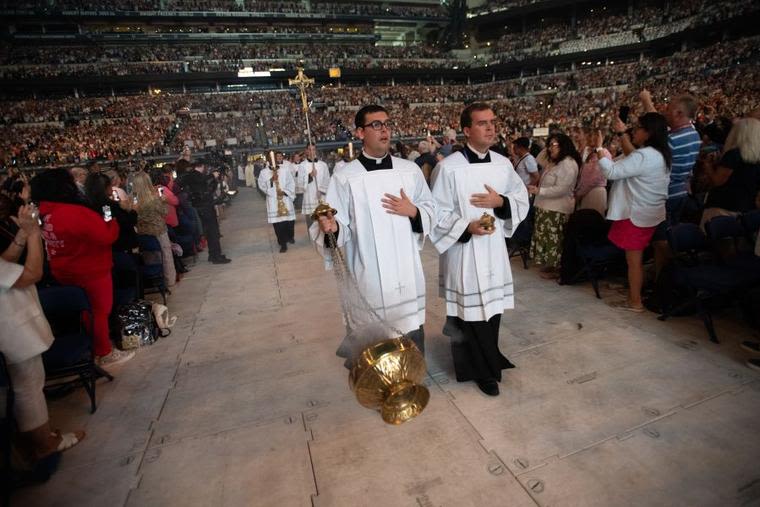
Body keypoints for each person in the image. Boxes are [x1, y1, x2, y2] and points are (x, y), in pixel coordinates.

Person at [312, 104, 435, 356]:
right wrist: (332, 227)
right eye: (376, 125)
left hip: (406, 271)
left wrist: (414, 211)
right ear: (359, 133)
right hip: (370, 273)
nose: (384, 130)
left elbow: (432, 209)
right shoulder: (346, 177)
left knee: (410, 331)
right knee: (376, 339)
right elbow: (338, 228)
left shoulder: (409, 171)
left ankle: (412, 380)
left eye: (387, 124)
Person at [430, 103, 529, 396]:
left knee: (493, 309)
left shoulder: (503, 163)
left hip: (494, 248)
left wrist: (501, 203)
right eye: (482, 123)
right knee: (470, 314)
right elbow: (436, 211)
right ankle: (480, 370)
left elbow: (519, 198)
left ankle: (490, 356)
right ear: (466, 130)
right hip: (465, 252)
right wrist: (466, 227)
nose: (490, 128)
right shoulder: (448, 168)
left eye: (492, 122)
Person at [1, 204, 85, 467]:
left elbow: (4, 263)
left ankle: (38, 437)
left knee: (26, 384)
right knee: (28, 386)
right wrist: (35, 234)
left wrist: (21, 237)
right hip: (11, 327)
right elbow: (32, 273)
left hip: (12, 320)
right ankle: (44, 444)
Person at [31, 169, 134, 366]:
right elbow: (106, 237)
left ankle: (94, 348)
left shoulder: (46, 213)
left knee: (86, 312)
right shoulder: (74, 213)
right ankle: (104, 352)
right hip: (90, 269)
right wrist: (112, 223)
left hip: (64, 269)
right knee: (99, 311)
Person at [597, 112, 671, 312]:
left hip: (637, 213)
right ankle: (639, 294)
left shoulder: (645, 155)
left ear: (648, 132)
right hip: (651, 212)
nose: (634, 132)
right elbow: (633, 159)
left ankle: (635, 301)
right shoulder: (660, 153)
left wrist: (600, 151)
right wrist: (622, 135)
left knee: (634, 261)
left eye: (638, 128)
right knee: (636, 260)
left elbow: (611, 172)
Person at [528, 133, 581, 278]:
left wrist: (539, 191)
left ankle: (557, 269)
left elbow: (562, 189)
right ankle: (550, 265)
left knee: (555, 239)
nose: (550, 148)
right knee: (545, 238)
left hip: (557, 208)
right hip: (546, 205)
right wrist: (550, 145)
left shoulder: (568, 163)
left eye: (554, 145)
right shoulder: (555, 161)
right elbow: (539, 158)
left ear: (563, 146)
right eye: (549, 145)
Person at [177, 159, 231, 264]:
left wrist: (214, 178)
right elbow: (203, 181)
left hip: (202, 206)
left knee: (211, 232)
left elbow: (208, 187)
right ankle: (216, 256)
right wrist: (212, 176)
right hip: (205, 207)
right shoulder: (195, 176)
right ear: (201, 166)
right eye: (205, 166)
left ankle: (212, 254)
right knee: (213, 232)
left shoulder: (193, 176)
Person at [132, 171, 176, 288]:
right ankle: (169, 281)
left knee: (149, 257)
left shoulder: (133, 199)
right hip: (158, 230)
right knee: (165, 256)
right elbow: (164, 212)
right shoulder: (154, 198)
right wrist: (163, 200)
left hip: (142, 232)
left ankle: (155, 282)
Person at [258, 152, 296, 253]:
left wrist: (286, 192)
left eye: (274, 157)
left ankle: (289, 236)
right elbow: (261, 185)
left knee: (289, 221)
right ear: (268, 160)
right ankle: (282, 243)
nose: (273, 160)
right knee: (278, 224)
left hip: (285, 198)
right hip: (273, 200)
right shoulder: (264, 172)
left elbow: (291, 182)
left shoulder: (284, 170)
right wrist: (271, 180)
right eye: (270, 158)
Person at [299, 143, 330, 230]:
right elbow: (300, 182)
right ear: (306, 151)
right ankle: (313, 240)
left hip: (321, 196)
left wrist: (322, 190)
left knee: (324, 221)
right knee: (311, 223)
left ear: (315, 150)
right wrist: (309, 176)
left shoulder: (323, 165)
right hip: (309, 196)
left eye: (313, 149)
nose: (311, 151)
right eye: (309, 149)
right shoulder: (302, 165)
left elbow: (327, 179)